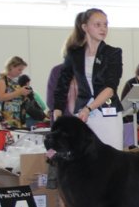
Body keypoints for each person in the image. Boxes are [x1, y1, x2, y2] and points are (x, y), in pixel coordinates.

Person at [53, 9, 124, 149]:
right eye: (97, 25)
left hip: (107, 113)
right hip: (82, 114)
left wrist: (88, 109)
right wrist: (57, 110)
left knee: (112, 156)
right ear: (85, 27)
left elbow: (110, 88)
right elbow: (62, 84)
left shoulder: (113, 53)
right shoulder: (74, 54)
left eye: (105, 24)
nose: (103, 28)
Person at [0, 56, 32, 129]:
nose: (21, 72)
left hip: (20, 116)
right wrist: (19, 92)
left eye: (22, 70)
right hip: (7, 117)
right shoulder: (1, 78)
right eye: (19, 69)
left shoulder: (17, 79)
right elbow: (0, 97)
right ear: (11, 67)